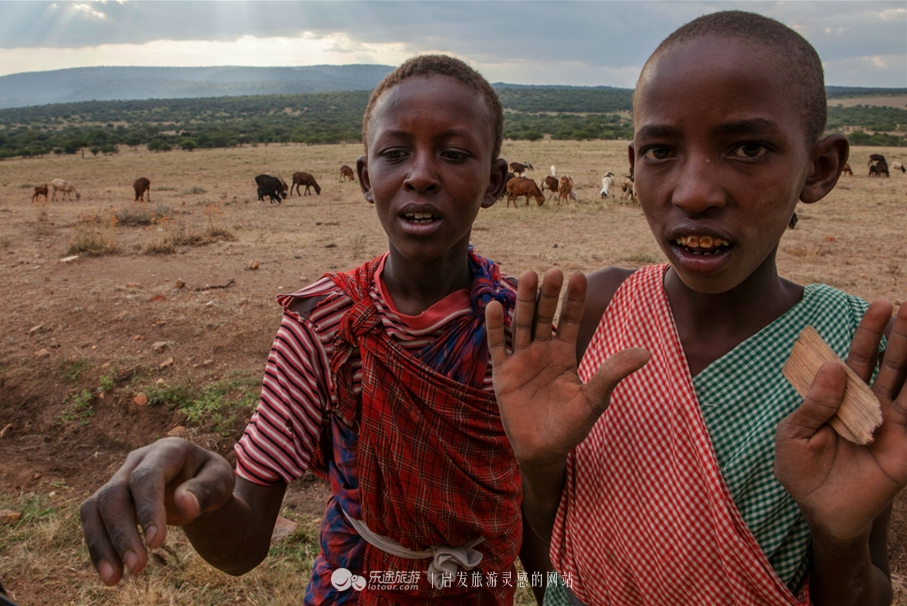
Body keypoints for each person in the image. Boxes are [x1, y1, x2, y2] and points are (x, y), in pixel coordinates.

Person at [486, 11, 907, 606]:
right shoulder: (595, 314)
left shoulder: (852, 350)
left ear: (820, 168)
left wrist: (838, 536)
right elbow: (553, 571)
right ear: (633, 163)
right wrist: (538, 468)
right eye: (661, 151)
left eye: (749, 148)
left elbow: (865, 586)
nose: (694, 192)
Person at [80, 55, 527, 605]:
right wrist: (206, 495)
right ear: (367, 179)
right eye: (394, 154)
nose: (420, 175)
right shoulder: (322, 325)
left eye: (454, 154)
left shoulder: (517, 327)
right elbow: (244, 547)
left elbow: (534, 505)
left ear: (496, 181)